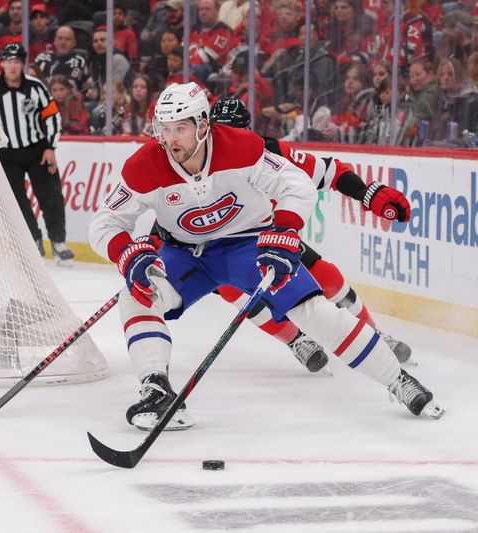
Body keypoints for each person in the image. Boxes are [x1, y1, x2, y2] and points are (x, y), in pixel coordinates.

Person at [88, 82, 443, 432]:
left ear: (202, 126)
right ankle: (155, 387)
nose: (170, 138)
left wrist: (285, 230)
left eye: (180, 128)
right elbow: (106, 221)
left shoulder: (244, 147)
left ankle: (398, 380)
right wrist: (127, 254)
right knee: (136, 294)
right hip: (187, 253)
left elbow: (298, 183)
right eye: (164, 129)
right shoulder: (144, 164)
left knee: (315, 311)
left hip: (249, 244)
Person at [209, 97, 414, 372]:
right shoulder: (191, 163)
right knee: (233, 289)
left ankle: (373, 334)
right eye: (223, 133)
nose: (230, 142)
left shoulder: (268, 151)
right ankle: (295, 340)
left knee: (326, 274)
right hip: (219, 247)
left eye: (237, 133)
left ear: (249, 131)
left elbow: (328, 171)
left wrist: (365, 192)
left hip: (268, 237)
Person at [0, 43, 74, 266]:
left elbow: (52, 116)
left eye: (16, 61)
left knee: (51, 196)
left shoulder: (36, 87)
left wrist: (51, 147)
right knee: (16, 201)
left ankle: (59, 242)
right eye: (8, 61)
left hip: (37, 150)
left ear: (22, 64)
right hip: (6, 153)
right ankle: (34, 240)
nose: (12, 66)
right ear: (2, 63)